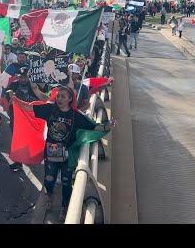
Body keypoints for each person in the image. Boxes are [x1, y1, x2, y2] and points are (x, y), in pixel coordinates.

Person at [10, 85, 117, 220]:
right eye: (58, 96)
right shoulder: (50, 109)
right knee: (49, 178)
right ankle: (49, 197)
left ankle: (64, 207)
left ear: (70, 99)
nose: (59, 98)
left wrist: (108, 126)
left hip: (67, 156)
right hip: (50, 154)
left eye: (63, 96)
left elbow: (94, 126)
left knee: (66, 183)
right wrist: (15, 99)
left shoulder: (76, 116)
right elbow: (29, 108)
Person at [4, 67, 41, 171]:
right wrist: (11, 100)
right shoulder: (13, 85)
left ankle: (31, 158)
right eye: (21, 77)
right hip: (17, 118)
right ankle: (18, 161)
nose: (23, 80)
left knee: (31, 139)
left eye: (25, 77)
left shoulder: (34, 86)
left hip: (31, 118)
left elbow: (41, 100)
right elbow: (7, 100)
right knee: (17, 139)